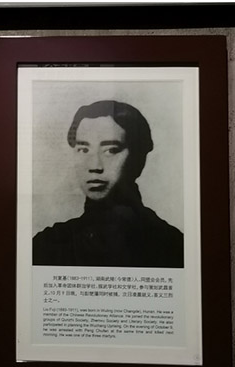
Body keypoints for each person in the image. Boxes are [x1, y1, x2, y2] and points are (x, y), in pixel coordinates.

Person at [32, 100, 184, 268]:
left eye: (111, 150)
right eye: (84, 150)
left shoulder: (170, 245)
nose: (95, 166)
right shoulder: (50, 243)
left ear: (139, 158)